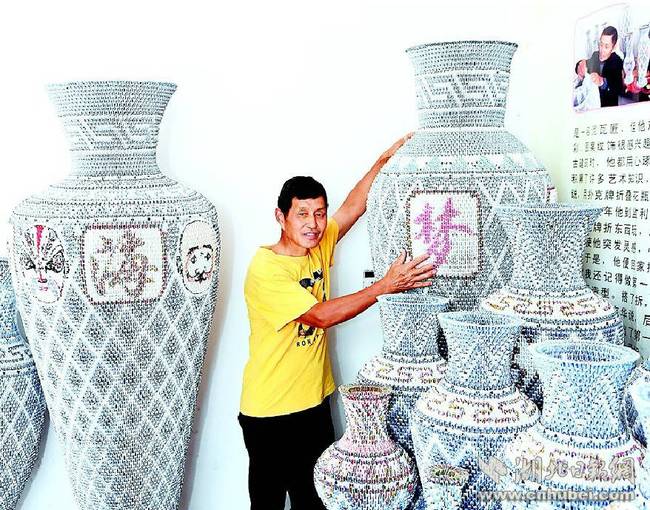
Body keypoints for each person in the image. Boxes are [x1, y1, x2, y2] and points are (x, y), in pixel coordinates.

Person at [238, 134, 435, 510]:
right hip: (270, 414)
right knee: (267, 506)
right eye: (302, 214)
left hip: (314, 405)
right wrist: (385, 286)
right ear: (280, 217)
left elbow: (355, 205)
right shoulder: (266, 269)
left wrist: (384, 159)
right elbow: (320, 316)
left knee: (316, 503)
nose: (313, 224)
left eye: (319, 213)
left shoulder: (317, 243)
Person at [587, 25, 625, 107]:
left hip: (608, 106)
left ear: (613, 47)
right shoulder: (595, 55)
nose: (602, 50)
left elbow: (618, 88)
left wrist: (602, 82)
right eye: (601, 44)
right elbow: (586, 66)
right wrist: (579, 65)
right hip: (593, 104)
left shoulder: (617, 61)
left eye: (606, 46)